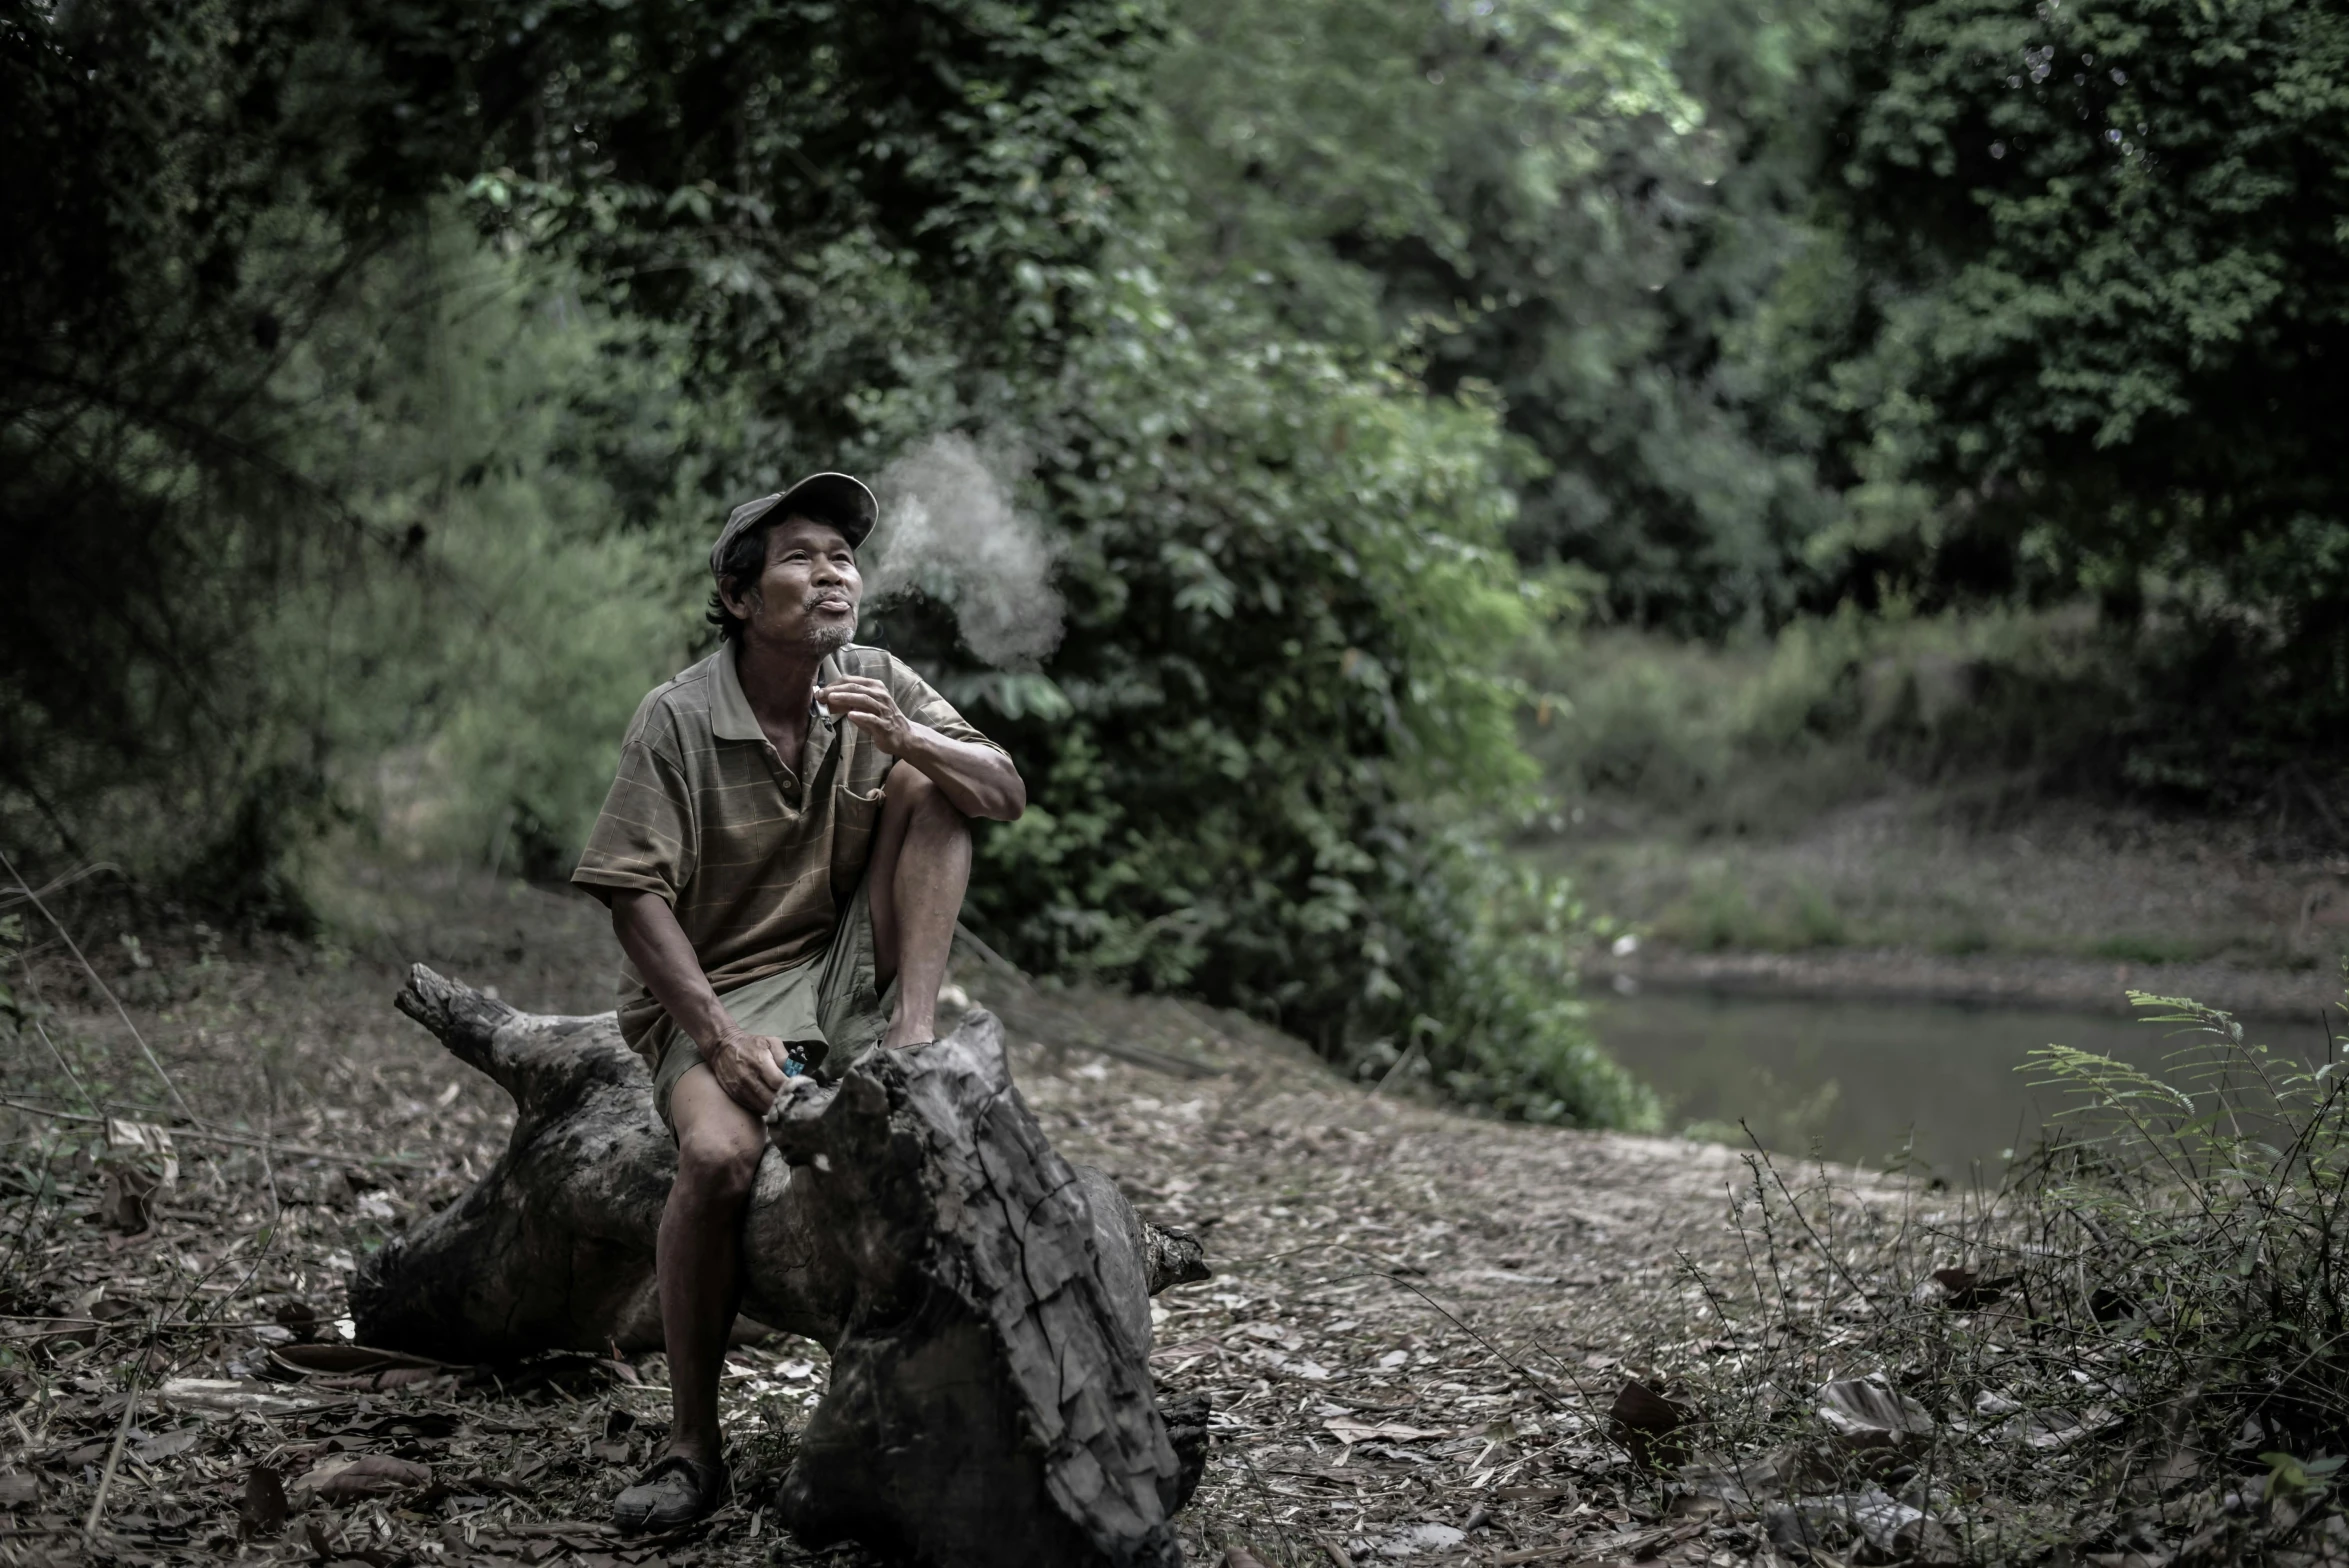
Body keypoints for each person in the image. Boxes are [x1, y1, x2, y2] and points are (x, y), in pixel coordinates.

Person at [570, 472, 1026, 1531]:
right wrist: (719, 1041)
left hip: (844, 966)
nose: (835, 572)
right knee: (723, 1156)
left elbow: (1001, 788)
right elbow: (630, 893)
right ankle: (692, 1444)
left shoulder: (872, 676)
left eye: (844, 555)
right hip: (717, 987)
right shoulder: (678, 715)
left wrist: (907, 736)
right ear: (738, 596)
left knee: (940, 788)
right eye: (802, 556)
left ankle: (909, 1041)